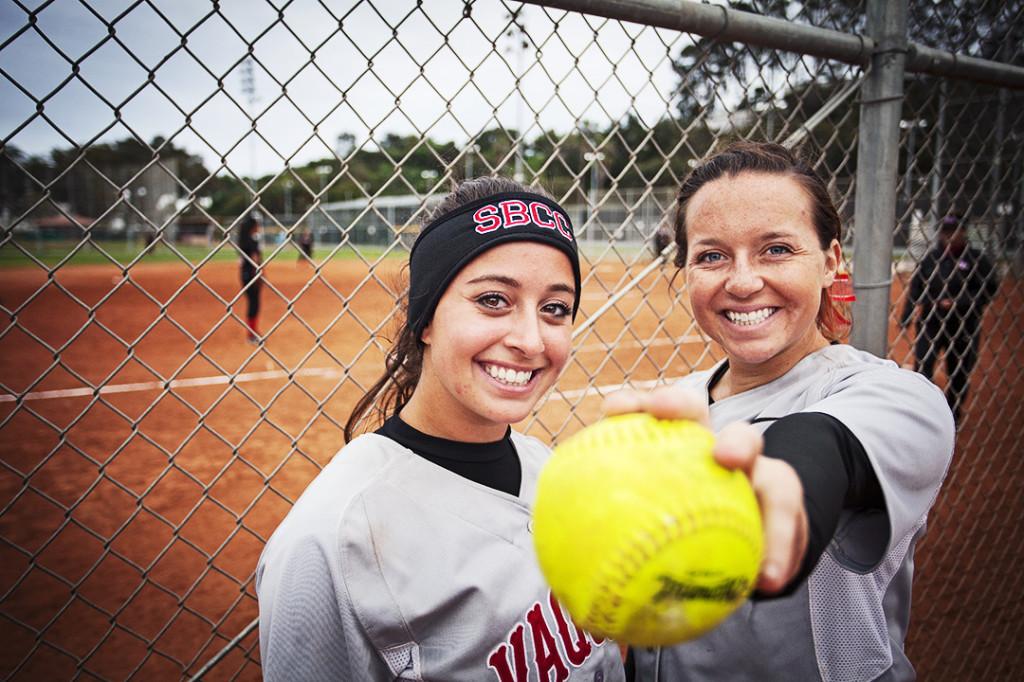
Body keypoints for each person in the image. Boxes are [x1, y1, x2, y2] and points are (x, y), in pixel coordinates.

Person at [255, 177, 627, 681]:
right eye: (493, 299)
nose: (530, 339)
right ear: (425, 320)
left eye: (555, 308)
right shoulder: (334, 538)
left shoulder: (551, 470)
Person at [626, 141, 955, 681]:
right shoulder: (668, 408)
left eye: (776, 249)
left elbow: (819, 450)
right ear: (685, 270)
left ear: (830, 262)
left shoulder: (896, 399)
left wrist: (774, 494)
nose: (743, 281)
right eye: (711, 256)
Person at [899, 214, 1000, 422]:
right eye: (946, 231)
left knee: (959, 369)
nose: (949, 235)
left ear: (964, 232)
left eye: (954, 231)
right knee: (923, 364)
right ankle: (922, 409)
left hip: (964, 323)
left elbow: (989, 288)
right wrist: (907, 315)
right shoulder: (933, 258)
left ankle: (953, 413)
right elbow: (916, 286)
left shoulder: (975, 259)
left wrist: (960, 301)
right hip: (932, 320)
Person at [238, 214, 263, 343]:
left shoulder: (242, 241)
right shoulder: (252, 242)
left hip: (244, 275)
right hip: (252, 275)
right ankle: (251, 334)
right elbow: (255, 260)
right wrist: (259, 275)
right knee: (254, 304)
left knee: (252, 304)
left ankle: (252, 332)